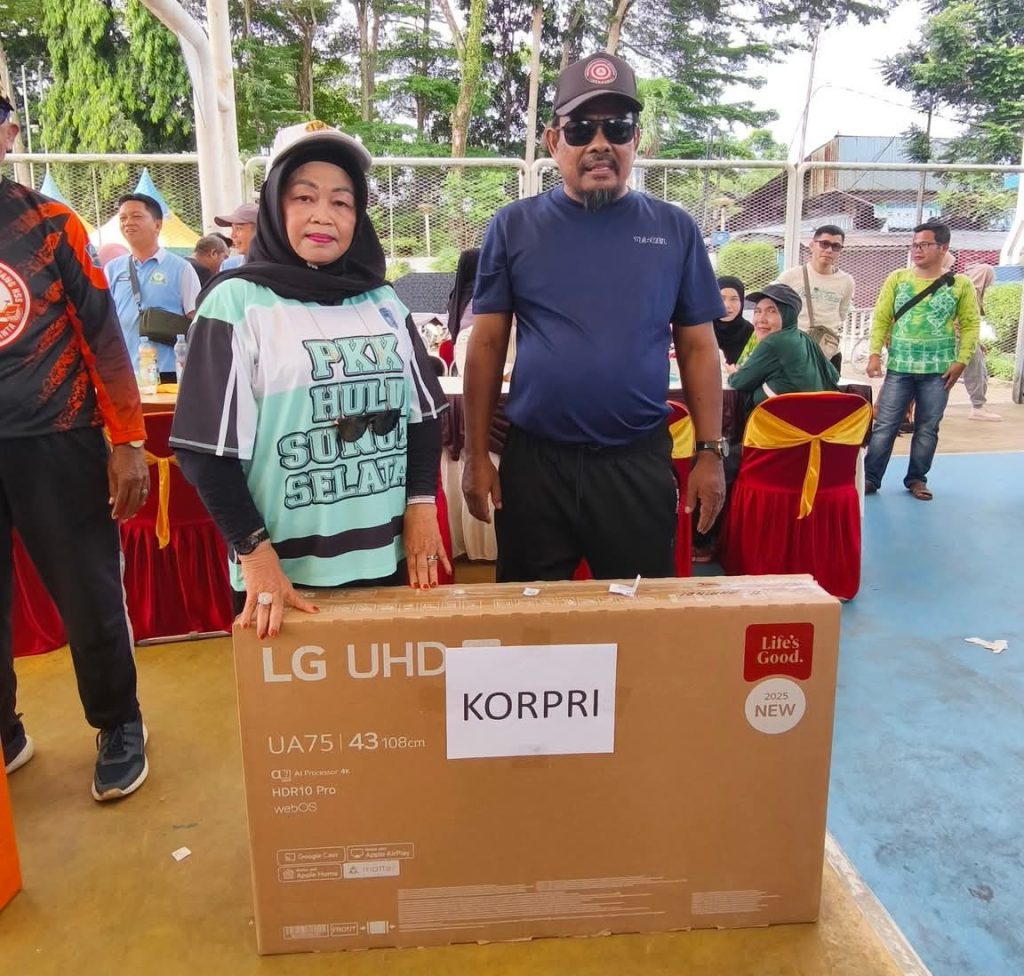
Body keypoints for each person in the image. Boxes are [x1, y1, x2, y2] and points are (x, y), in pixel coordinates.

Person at [170, 121, 450, 639]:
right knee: (299, 696)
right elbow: (206, 452)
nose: (324, 215)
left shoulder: (382, 301)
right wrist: (255, 554)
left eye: (342, 202)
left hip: (385, 555)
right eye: (304, 197)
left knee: (389, 689)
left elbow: (424, 417)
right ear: (275, 205)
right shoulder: (236, 303)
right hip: (283, 572)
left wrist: (421, 505)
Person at [462, 52, 727, 582]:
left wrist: (709, 453)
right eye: (581, 129)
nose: (600, 144)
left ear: (637, 141)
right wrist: (475, 455)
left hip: (635, 463)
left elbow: (699, 347)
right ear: (552, 141)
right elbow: (486, 344)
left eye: (618, 128)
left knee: (639, 616)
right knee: (530, 613)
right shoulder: (512, 227)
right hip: (536, 466)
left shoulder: (675, 229)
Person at [0, 90, 151, 800]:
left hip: (57, 436)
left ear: (8, 135)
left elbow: (103, 333)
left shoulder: (49, 223)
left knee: (89, 596)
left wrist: (127, 439)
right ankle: (6, 732)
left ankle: (120, 724)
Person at [864, 222, 979, 500]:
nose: (917, 250)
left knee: (927, 427)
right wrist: (874, 353)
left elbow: (970, 324)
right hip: (899, 368)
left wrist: (962, 361)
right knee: (885, 425)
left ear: (943, 248)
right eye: (914, 245)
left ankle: (917, 479)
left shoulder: (960, 284)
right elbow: (881, 318)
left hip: (939, 371)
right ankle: (869, 478)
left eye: (924, 245)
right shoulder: (898, 278)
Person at [104, 193, 201, 379]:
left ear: (157, 225)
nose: (128, 223)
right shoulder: (112, 269)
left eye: (136, 216)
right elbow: (104, 319)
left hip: (169, 371)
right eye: (123, 218)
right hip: (127, 372)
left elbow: (195, 320)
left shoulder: (181, 268)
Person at [727, 284, 839, 408]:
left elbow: (739, 382)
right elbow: (834, 376)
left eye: (771, 311)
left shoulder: (773, 342)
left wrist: (733, 374)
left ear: (788, 315)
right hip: (817, 415)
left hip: (781, 418)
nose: (761, 319)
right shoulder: (804, 338)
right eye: (757, 311)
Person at [774, 224, 855, 346]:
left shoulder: (846, 281)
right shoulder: (791, 276)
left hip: (828, 349)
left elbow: (842, 314)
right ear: (812, 245)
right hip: (796, 346)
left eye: (836, 246)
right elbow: (769, 303)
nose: (829, 250)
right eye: (824, 244)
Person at [961, 263, 1001, 422]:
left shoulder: (969, 290)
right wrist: (972, 341)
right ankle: (978, 407)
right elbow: (961, 321)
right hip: (963, 339)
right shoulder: (971, 292)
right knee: (977, 372)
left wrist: (977, 342)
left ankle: (979, 406)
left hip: (964, 338)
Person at [714, 275, 754, 369]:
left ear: (742, 302)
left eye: (734, 299)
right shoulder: (702, 330)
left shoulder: (751, 332)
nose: (727, 305)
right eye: (721, 298)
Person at [215, 202, 258, 269]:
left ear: (259, 231)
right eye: (232, 228)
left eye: (238, 228)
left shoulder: (274, 267)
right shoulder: (227, 266)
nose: (232, 235)